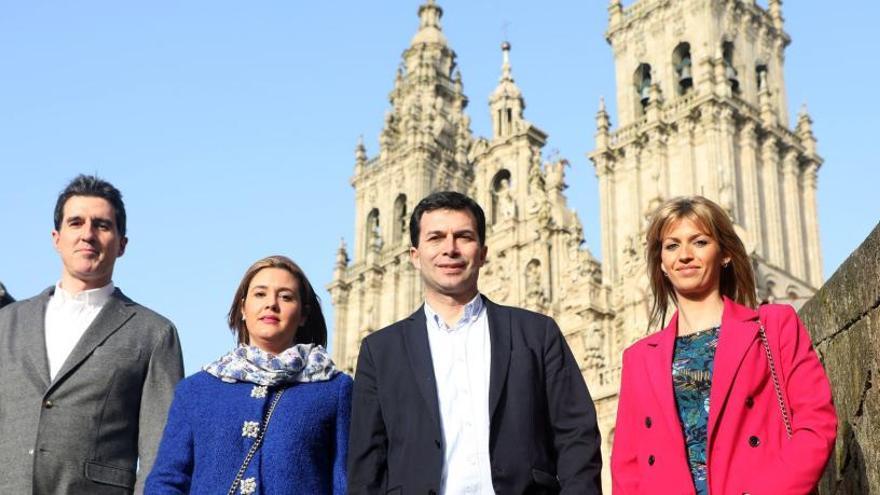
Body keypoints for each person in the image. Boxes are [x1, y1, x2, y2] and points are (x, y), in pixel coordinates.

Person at [348, 191, 603, 495]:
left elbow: (577, 436)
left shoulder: (537, 333)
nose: (450, 249)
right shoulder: (380, 352)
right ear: (414, 256)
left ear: (482, 253)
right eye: (436, 238)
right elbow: (366, 467)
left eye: (463, 237)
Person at [611, 196, 837, 494]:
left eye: (700, 242)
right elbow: (628, 467)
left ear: (726, 254)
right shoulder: (639, 358)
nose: (685, 255)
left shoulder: (773, 326)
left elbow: (815, 424)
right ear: (662, 264)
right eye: (672, 245)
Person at [0, 174, 184, 494]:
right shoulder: (7, 322)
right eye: (76, 222)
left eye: (101, 225)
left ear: (122, 244)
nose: (88, 234)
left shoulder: (154, 334)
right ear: (56, 238)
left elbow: (161, 454)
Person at [146, 255, 351, 495]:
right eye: (260, 294)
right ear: (243, 308)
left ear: (304, 314)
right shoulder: (196, 390)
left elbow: (345, 483)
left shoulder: (334, 390)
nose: (271, 304)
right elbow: (167, 481)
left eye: (285, 296)